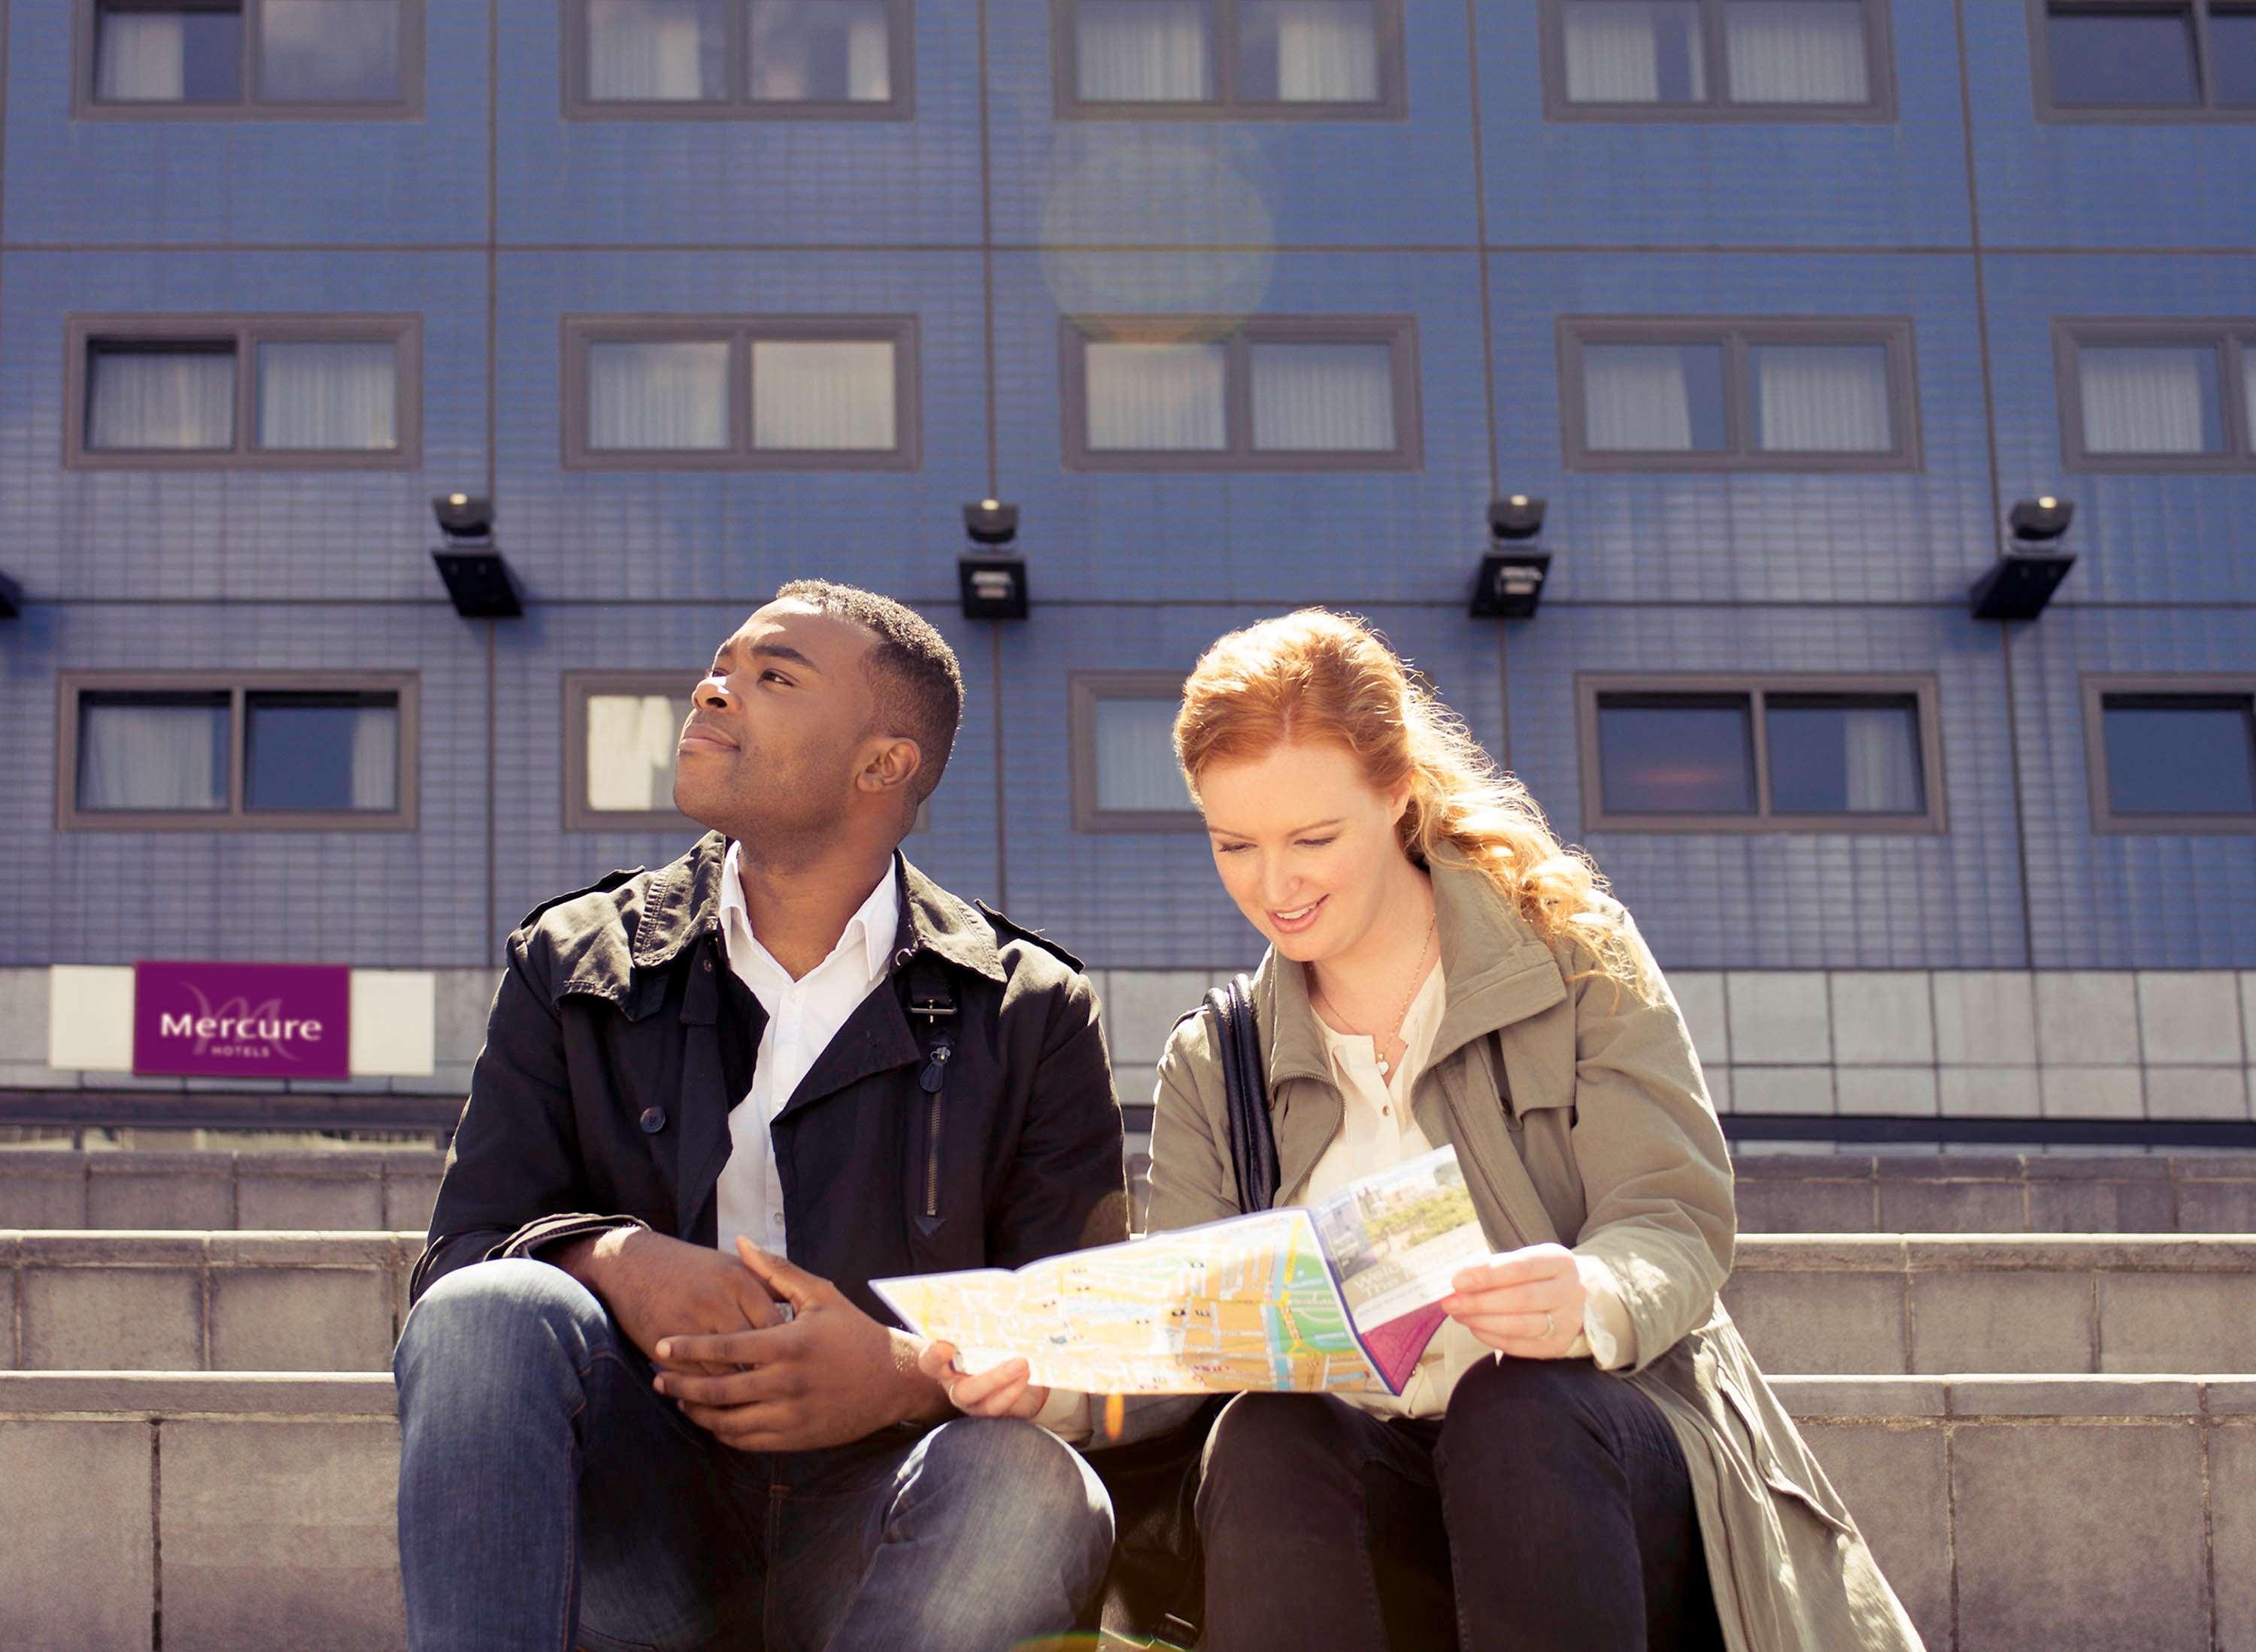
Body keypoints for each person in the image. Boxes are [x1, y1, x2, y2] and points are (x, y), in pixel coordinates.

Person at [925, 608, 1923, 1652]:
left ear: (1398, 793)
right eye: (1236, 844)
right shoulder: (1217, 1060)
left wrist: (1593, 1293)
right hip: (1366, 1493)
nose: (1277, 885)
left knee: (1517, 1408)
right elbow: (1181, 1330)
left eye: (1314, 839)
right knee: (1265, 1430)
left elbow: (1673, 1215)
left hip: (1601, 1467)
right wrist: (1057, 1384)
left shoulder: (1573, 960)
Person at [393, 581, 1126, 1652]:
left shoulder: (1028, 1009)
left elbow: (1084, 1339)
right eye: (722, 665)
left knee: (1028, 1476)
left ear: (885, 764)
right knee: (487, 1310)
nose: (713, 688)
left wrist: (897, 1373)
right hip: (641, 1532)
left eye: (773, 676)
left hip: (890, 1535)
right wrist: (613, 1258)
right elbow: (456, 1259)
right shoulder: (572, 961)